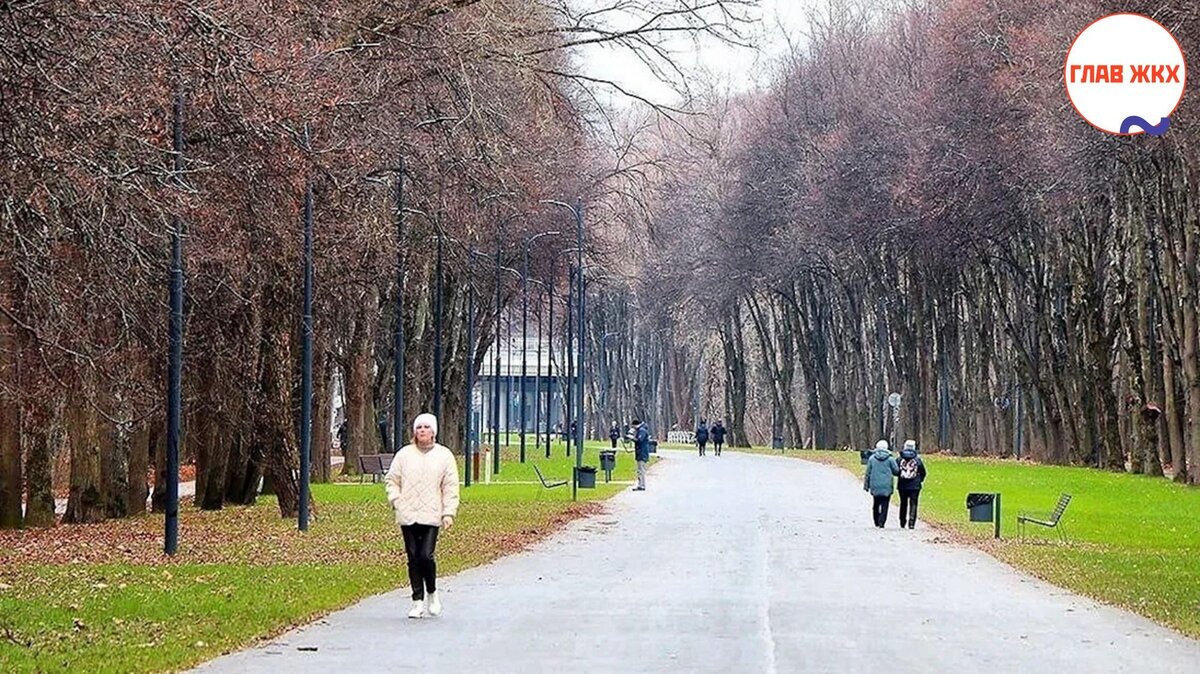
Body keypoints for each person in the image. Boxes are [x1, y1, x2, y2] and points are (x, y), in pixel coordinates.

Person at [385, 413, 460, 619]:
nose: (423, 431)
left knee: (425, 555)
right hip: (408, 513)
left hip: (431, 513)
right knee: (413, 557)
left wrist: (448, 512)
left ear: (434, 431)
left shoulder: (444, 456)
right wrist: (396, 499)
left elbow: (450, 486)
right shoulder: (404, 455)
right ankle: (417, 600)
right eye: (419, 428)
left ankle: (432, 593)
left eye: (427, 427)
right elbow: (392, 480)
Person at [863, 439, 899, 528]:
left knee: (876, 503)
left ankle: (876, 521)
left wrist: (866, 485)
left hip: (875, 485)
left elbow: (868, 473)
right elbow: (896, 471)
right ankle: (882, 522)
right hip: (886, 485)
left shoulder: (872, 459)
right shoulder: (890, 459)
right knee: (885, 504)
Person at [896, 439, 928, 529]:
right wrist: (919, 480)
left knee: (903, 503)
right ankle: (911, 522)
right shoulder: (917, 460)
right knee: (914, 503)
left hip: (902, 485)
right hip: (915, 486)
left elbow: (896, 471)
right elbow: (923, 472)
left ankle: (902, 521)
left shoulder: (899, 459)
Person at [630, 419, 650, 491]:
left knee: (641, 470)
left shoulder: (642, 431)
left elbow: (639, 440)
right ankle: (640, 484)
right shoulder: (641, 430)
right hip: (640, 453)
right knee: (639, 470)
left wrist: (632, 438)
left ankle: (642, 485)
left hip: (642, 453)